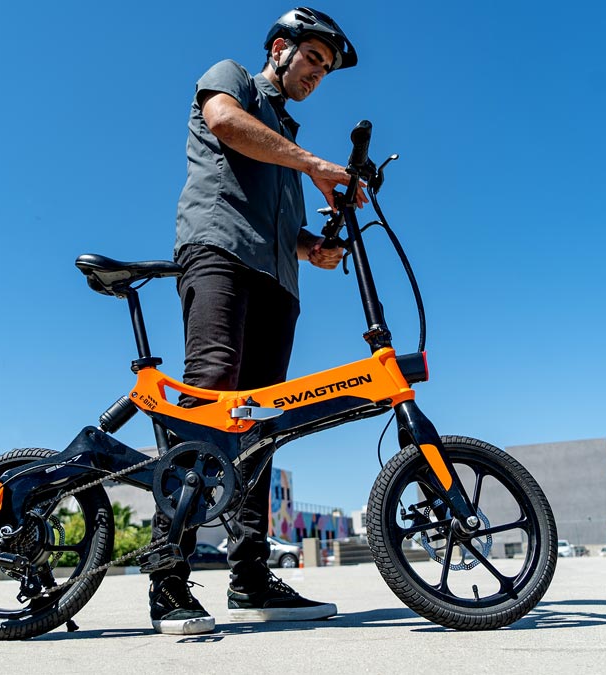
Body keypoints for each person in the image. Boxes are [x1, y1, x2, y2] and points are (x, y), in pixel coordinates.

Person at [148, 7, 366, 635]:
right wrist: (313, 164)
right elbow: (223, 123)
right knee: (211, 398)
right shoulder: (234, 80)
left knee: (261, 426)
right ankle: (168, 578)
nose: (318, 76)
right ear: (280, 49)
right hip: (217, 252)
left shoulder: (289, 139)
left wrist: (312, 250)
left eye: (326, 71)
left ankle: (248, 579)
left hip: (278, 280)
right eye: (313, 61)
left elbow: (280, 225)